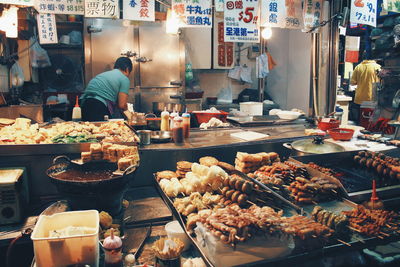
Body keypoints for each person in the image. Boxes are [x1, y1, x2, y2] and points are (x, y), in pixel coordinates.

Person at [81, 57, 132, 121]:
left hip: (84, 103)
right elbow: (122, 105)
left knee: (89, 129)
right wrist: (129, 113)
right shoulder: (124, 78)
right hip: (99, 106)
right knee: (101, 129)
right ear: (127, 69)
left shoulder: (103, 74)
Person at [350, 56, 381, 122]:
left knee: (360, 120)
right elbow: (381, 83)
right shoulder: (378, 67)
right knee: (370, 121)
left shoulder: (358, 67)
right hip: (372, 98)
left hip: (359, 98)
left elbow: (353, 82)